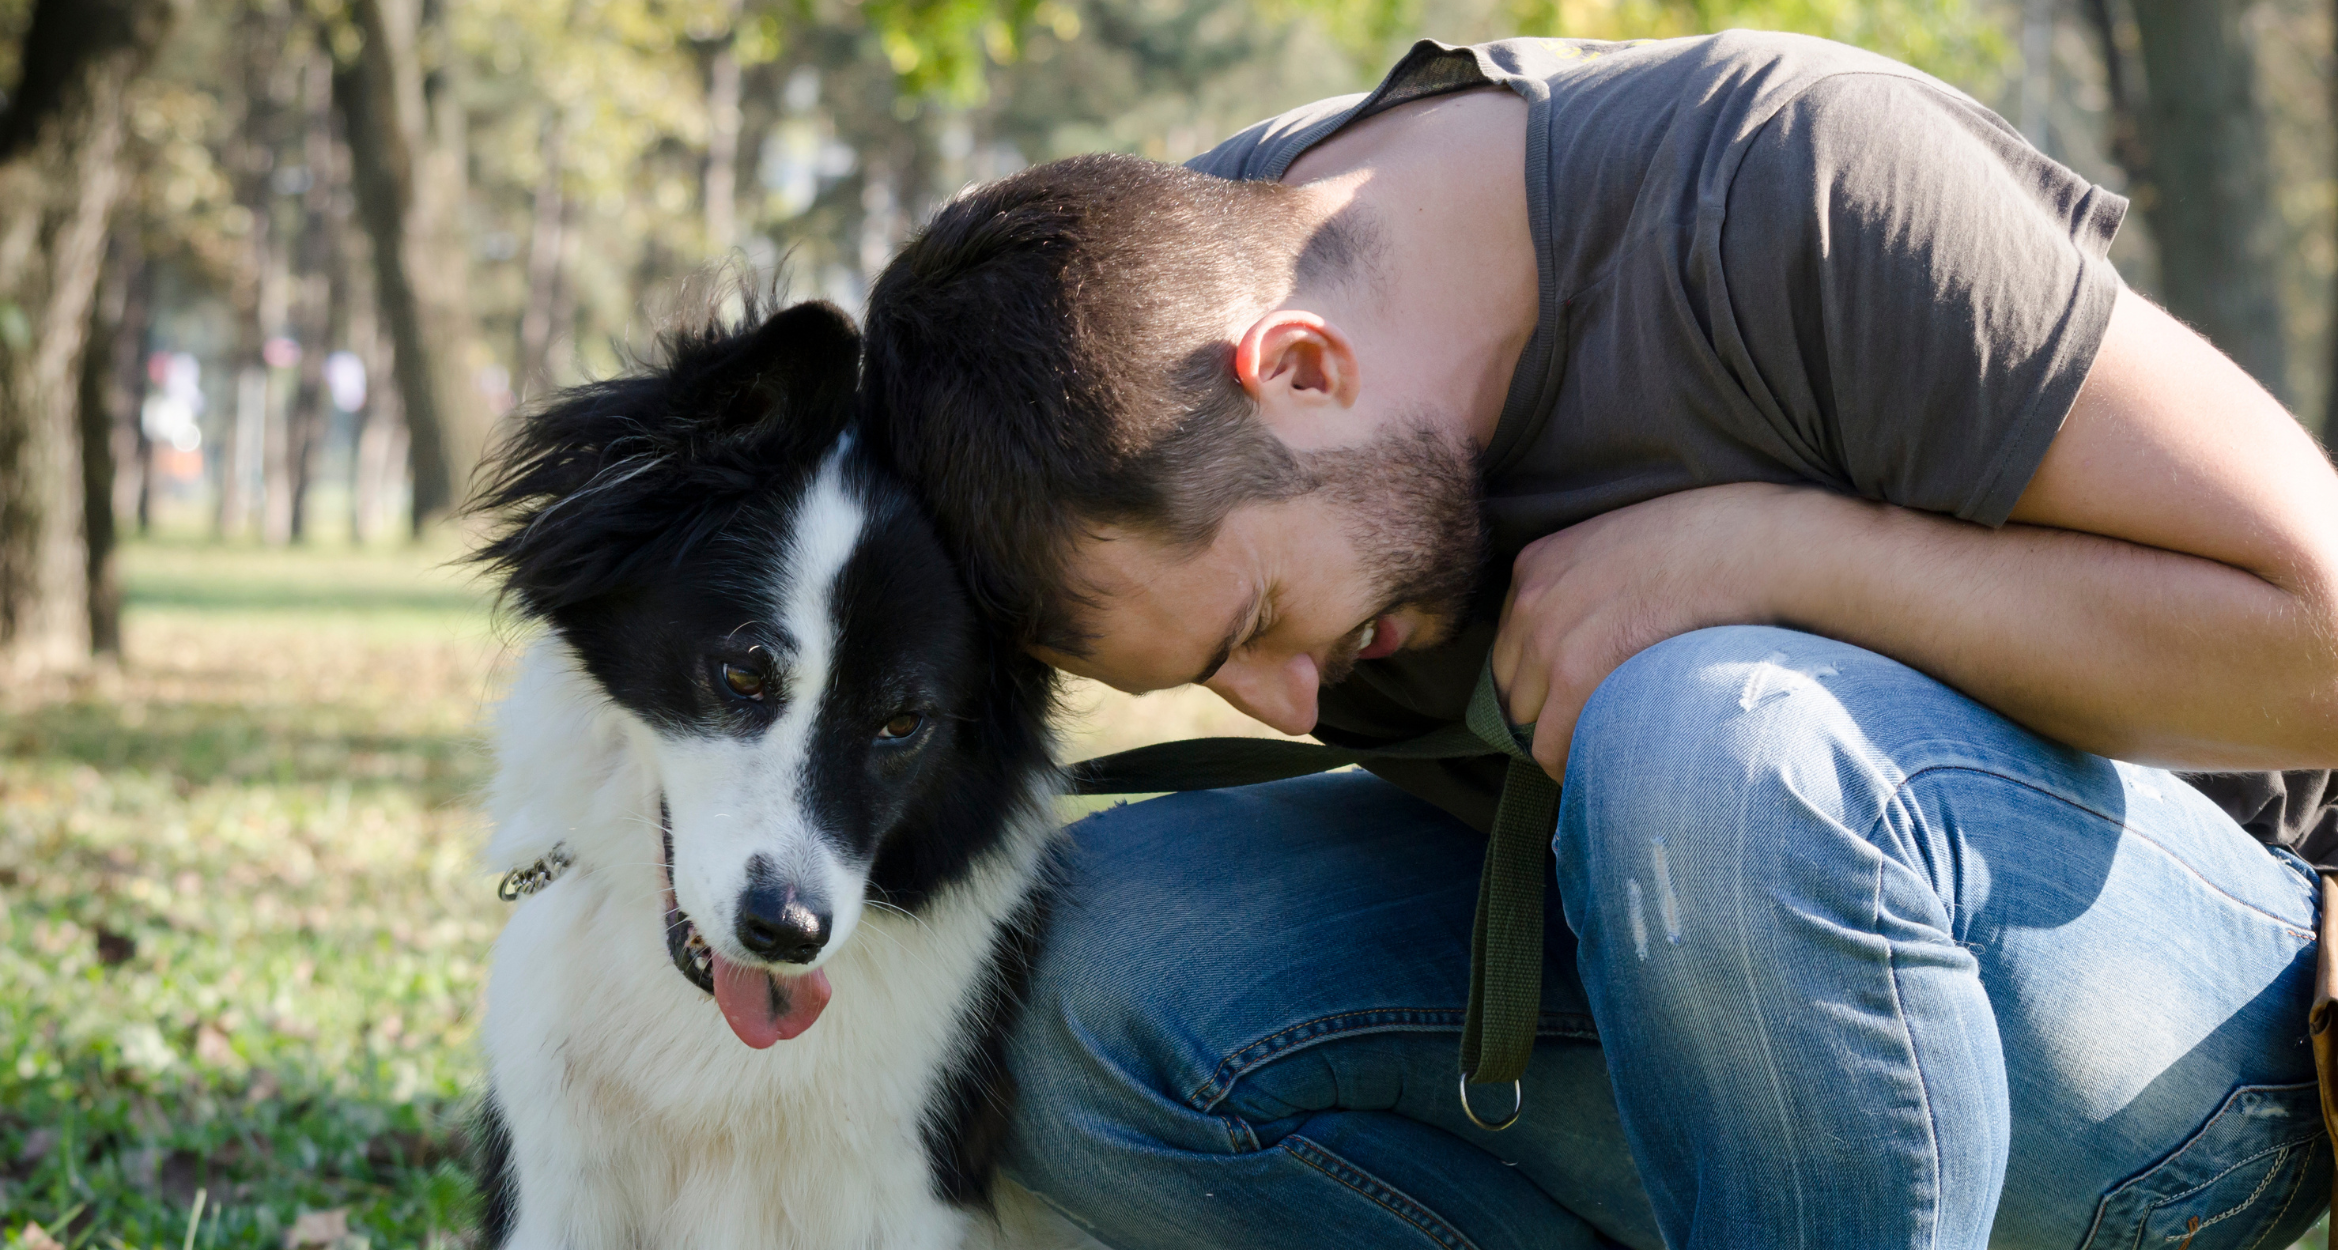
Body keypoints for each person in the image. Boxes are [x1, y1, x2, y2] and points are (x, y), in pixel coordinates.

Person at [859, 32, 2338, 1250]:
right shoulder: (1099, 344)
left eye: (1252, 624)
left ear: (1302, 369)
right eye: (1207, 674)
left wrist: (1779, 554)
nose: (1289, 701)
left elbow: (2322, 644)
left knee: (1710, 734)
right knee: (1050, 985)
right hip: (1665, 997)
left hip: (2180, 1039)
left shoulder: (1789, 184)